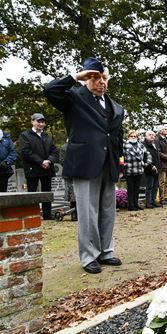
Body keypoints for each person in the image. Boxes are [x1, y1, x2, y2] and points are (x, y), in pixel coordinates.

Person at [44, 57, 125, 274]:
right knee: (88, 213)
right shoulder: (74, 98)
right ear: (86, 79)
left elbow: (118, 138)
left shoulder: (115, 107)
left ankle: (106, 251)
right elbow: (50, 90)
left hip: (108, 165)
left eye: (104, 78)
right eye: (96, 77)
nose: (101, 82)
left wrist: (120, 163)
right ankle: (89, 256)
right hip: (84, 163)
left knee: (108, 211)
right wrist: (76, 77)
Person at [19, 113, 58, 220]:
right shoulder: (25, 135)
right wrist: (41, 161)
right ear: (32, 121)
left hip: (47, 168)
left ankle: (47, 214)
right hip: (33, 169)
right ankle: (31, 215)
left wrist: (49, 161)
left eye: (42, 122)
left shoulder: (47, 136)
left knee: (47, 192)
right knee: (32, 192)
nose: (41, 124)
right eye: (38, 121)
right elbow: (25, 151)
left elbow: (54, 151)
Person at [124, 130, 150, 211]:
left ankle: (136, 204)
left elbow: (148, 153)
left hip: (139, 169)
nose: (133, 137)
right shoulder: (125, 145)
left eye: (135, 136)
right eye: (132, 136)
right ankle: (130, 205)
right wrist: (123, 165)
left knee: (137, 189)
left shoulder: (140, 145)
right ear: (128, 137)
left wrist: (147, 163)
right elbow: (121, 157)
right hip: (129, 169)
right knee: (130, 189)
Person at [59, 140, 77, 220]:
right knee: (72, 196)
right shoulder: (64, 147)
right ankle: (74, 215)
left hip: (82, 174)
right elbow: (62, 161)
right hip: (70, 174)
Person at [156, 125, 167, 205]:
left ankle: (166, 197)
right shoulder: (157, 140)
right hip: (162, 164)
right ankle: (161, 198)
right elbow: (158, 152)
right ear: (160, 131)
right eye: (165, 129)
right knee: (162, 181)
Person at [142, 131, 160, 208]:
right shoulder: (143, 144)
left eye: (153, 135)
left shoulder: (155, 144)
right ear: (146, 136)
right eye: (150, 135)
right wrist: (151, 166)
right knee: (149, 186)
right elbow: (144, 157)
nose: (152, 136)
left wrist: (158, 166)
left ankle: (153, 201)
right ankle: (148, 203)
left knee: (155, 186)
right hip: (149, 168)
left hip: (157, 168)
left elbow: (157, 156)